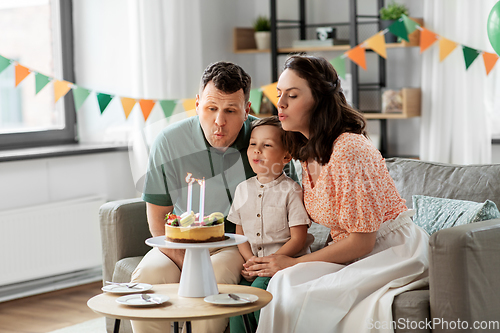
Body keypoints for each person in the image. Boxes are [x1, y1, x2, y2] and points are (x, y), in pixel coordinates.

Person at [245, 55, 430, 333]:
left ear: (318, 100)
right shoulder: (305, 154)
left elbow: (362, 242)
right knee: (284, 282)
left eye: (292, 96)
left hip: (392, 250)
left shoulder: (349, 149)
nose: (280, 103)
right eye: (279, 94)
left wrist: (289, 262)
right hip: (354, 253)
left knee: (297, 292)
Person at [132, 61, 296, 333]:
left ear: (246, 110)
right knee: (149, 277)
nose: (219, 121)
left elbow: (291, 202)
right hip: (179, 243)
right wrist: (188, 261)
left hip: (235, 244)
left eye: (231, 110)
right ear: (197, 104)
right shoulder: (168, 142)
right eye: (211, 109)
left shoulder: (266, 140)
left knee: (214, 280)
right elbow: (158, 217)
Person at [227, 116, 312, 333]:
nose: (257, 150)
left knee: (257, 296)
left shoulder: (292, 190)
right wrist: (251, 262)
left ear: (286, 155)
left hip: (284, 265)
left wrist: (268, 263)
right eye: (253, 144)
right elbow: (240, 233)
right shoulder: (242, 189)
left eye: (266, 145)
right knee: (235, 302)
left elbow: (298, 238)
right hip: (255, 265)